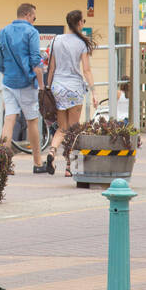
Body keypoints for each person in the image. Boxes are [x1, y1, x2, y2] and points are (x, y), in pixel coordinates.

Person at [0, 3, 50, 174]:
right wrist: (41, 86)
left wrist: (6, 73)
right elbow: (36, 61)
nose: (34, 21)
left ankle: (4, 163)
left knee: (9, 120)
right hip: (26, 83)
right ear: (27, 15)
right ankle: (38, 162)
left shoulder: (3, 31)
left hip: (8, 81)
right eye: (34, 17)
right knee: (32, 121)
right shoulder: (31, 32)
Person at [47, 10, 97, 176]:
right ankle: (70, 167)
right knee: (74, 131)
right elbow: (87, 70)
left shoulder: (56, 40)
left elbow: (52, 67)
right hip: (74, 88)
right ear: (80, 23)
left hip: (58, 87)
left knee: (62, 128)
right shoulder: (81, 43)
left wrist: (48, 88)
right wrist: (94, 92)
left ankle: (52, 152)